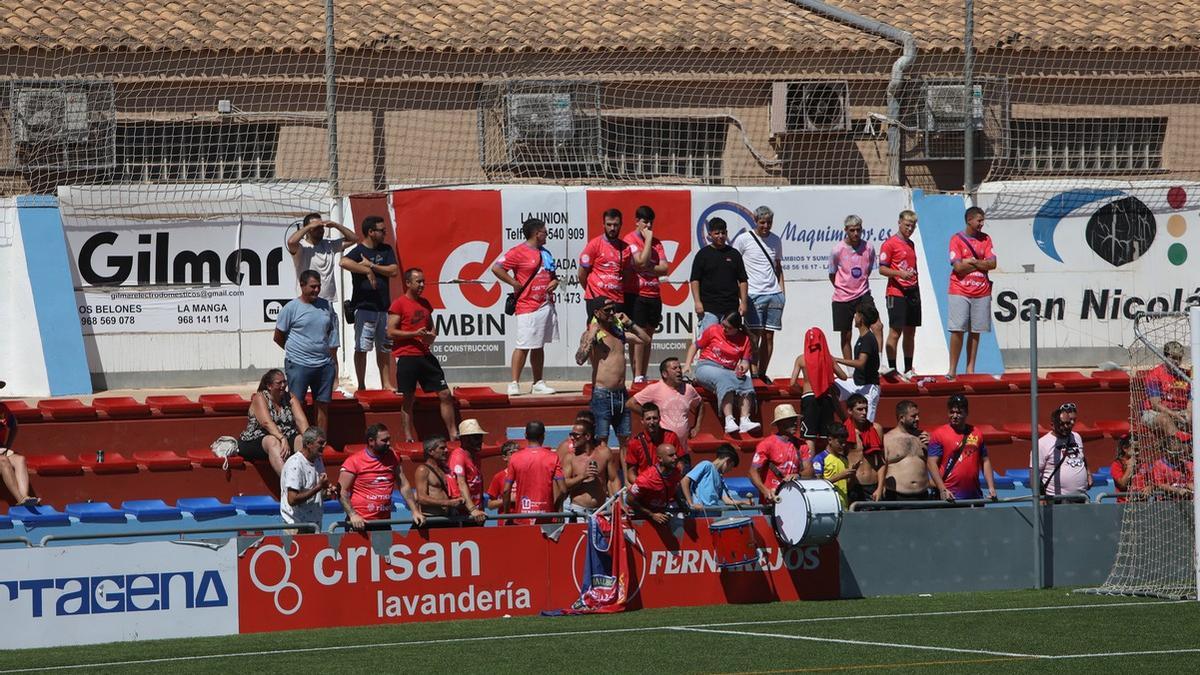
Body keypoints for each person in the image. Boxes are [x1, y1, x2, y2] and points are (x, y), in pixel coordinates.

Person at [287, 213, 359, 391]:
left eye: (320, 227)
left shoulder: (328, 245)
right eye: (315, 227)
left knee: (332, 347)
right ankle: (307, 383)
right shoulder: (302, 247)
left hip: (327, 304)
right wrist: (308, 227)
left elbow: (354, 238)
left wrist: (335, 224)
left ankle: (334, 386)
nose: (319, 230)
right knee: (308, 346)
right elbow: (291, 242)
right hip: (307, 305)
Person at [387, 267, 457, 442]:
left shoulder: (426, 304)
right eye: (418, 281)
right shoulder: (399, 304)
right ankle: (408, 436)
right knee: (409, 398)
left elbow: (432, 331)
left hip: (425, 355)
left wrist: (429, 336)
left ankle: (453, 433)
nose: (422, 285)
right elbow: (391, 332)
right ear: (408, 283)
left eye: (423, 281)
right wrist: (414, 334)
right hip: (407, 356)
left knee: (445, 394)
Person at [492, 218, 559, 397]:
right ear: (537, 234)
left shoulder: (546, 253)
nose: (547, 234)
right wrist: (514, 282)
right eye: (544, 231)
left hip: (545, 304)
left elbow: (553, 274)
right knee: (523, 345)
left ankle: (538, 382)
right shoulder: (518, 251)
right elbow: (497, 268)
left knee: (539, 345)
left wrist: (554, 281)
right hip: (527, 305)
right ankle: (514, 382)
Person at [576, 297, 649, 457]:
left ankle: (627, 482)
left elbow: (645, 339)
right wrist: (591, 335)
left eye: (613, 309)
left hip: (621, 394)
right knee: (602, 442)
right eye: (607, 310)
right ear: (596, 313)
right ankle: (604, 481)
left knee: (625, 441)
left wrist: (630, 323)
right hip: (602, 394)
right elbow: (580, 359)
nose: (611, 313)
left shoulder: (619, 333)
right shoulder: (592, 335)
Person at [273, 270, 338, 432]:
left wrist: (333, 363)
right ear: (302, 286)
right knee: (297, 403)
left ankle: (320, 441)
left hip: (324, 365)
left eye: (318, 287)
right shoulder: (291, 308)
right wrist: (296, 353)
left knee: (322, 404)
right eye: (312, 286)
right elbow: (278, 336)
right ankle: (300, 440)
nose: (316, 290)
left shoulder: (327, 306)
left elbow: (332, 334)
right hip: (298, 365)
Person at [340, 215, 399, 391]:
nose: (384, 233)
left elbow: (393, 270)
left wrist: (372, 267)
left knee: (384, 348)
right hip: (365, 308)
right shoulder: (358, 251)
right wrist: (365, 270)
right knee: (362, 348)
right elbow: (343, 262)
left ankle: (386, 383)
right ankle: (362, 385)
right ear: (371, 232)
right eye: (382, 230)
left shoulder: (386, 249)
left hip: (383, 308)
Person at [732, 205, 785, 382]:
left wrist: (782, 291)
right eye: (762, 222)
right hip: (753, 294)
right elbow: (736, 266)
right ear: (755, 221)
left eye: (769, 222)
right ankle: (753, 373)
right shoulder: (743, 239)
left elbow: (778, 267)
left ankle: (762, 372)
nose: (766, 226)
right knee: (754, 336)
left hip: (774, 293)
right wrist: (741, 295)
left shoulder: (776, 240)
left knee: (769, 336)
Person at [685, 311, 760, 435]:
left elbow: (745, 362)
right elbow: (695, 346)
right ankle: (729, 420)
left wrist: (743, 367)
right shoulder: (714, 330)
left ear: (736, 328)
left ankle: (744, 419)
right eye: (723, 325)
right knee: (724, 379)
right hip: (706, 366)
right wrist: (688, 364)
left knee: (745, 380)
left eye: (728, 328)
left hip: (727, 370)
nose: (724, 329)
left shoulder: (744, 340)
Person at [339, 423, 424, 530]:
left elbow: (403, 485)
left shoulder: (393, 456)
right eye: (384, 440)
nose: (388, 443)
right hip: (360, 523)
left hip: (384, 522)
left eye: (389, 439)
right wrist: (352, 515)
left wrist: (415, 511)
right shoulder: (353, 461)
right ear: (371, 441)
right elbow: (341, 490)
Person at [947, 206, 996, 379]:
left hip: (981, 291)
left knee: (976, 331)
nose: (982, 224)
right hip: (960, 290)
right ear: (969, 220)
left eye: (983, 220)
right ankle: (952, 369)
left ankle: (970, 369)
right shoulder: (956, 239)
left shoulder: (986, 239)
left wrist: (972, 261)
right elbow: (958, 268)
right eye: (979, 220)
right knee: (957, 329)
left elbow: (992, 264)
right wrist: (980, 262)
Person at [623, 205, 670, 383]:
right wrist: (648, 239)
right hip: (637, 294)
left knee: (649, 336)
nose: (648, 225)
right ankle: (637, 376)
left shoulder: (657, 242)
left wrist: (649, 266)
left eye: (651, 222)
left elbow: (665, 268)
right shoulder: (630, 239)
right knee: (638, 335)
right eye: (645, 221)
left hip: (654, 293)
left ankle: (643, 372)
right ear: (637, 221)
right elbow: (639, 263)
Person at [628, 357, 703, 462]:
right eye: (674, 368)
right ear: (664, 374)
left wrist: (697, 426)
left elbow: (700, 404)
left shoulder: (689, 389)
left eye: (679, 368)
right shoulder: (654, 389)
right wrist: (652, 417)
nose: (679, 371)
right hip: (663, 454)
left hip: (683, 451)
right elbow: (630, 403)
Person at [791, 327, 849, 459]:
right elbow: (844, 376)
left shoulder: (801, 359)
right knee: (826, 437)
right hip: (826, 398)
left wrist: (804, 391)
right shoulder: (828, 358)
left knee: (809, 437)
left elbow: (792, 383)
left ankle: (809, 467)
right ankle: (826, 465)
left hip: (808, 397)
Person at [927, 394, 997, 503]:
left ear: (967, 413)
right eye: (951, 412)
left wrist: (991, 487)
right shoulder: (938, 434)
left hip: (974, 495)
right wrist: (942, 489)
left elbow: (985, 461)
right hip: (949, 496)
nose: (954, 416)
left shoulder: (977, 433)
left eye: (959, 412)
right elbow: (931, 463)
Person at [829, 215, 881, 360]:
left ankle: (878, 362)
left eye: (858, 230)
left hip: (862, 293)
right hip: (842, 297)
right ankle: (850, 371)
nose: (856, 234)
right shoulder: (837, 250)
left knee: (877, 325)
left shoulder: (868, 247)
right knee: (846, 334)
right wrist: (843, 287)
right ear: (845, 230)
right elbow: (832, 274)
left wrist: (859, 285)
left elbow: (868, 269)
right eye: (852, 230)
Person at [238, 368, 309, 475]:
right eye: (279, 383)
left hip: (284, 438)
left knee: (303, 440)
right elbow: (266, 423)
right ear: (269, 386)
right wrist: (282, 438)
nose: (283, 385)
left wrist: (309, 439)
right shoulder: (260, 397)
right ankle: (289, 482)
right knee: (272, 441)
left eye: (284, 382)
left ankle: (311, 481)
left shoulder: (290, 397)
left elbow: (301, 421)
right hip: (256, 439)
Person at [878, 210, 921, 378]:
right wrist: (899, 274)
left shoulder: (911, 244)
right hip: (896, 292)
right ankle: (892, 368)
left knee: (911, 331)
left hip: (913, 291)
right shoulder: (889, 244)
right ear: (899, 223)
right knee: (895, 331)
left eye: (913, 226)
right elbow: (882, 268)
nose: (910, 229)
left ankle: (908, 368)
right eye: (907, 225)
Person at [689, 217, 748, 335]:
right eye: (717, 233)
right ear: (710, 234)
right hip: (709, 308)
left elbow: (742, 280)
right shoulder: (703, 255)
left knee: (730, 342)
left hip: (731, 308)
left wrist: (744, 302)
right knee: (709, 340)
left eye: (723, 232)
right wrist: (697, 302)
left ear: (726, 233)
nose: (720, 236)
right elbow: (695, 280)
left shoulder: (734, 254)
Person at [503, 421, 565, 524]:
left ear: (525, 436)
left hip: (522, 517)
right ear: (543, 435)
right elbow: (563, 489)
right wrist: (556, 508)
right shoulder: (553, 457)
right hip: (546, 517)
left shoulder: (515, 458)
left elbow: (506, 490)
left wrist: (507, 514)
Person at [880, 400, 942, 502]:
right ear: (901, 418)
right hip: (897, 497)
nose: (918, 419)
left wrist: (932, 445)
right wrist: (880, 488)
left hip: (923, 496)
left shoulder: (924, 437)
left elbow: (936, 464)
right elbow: (882, 468)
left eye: (918, 415)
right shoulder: (887, 439)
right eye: (913, 416)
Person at [749, 404, 810, 504]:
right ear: (780, 424)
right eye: (790, 420)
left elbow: (809, 471)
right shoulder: (766, 444)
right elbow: (752, 472)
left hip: (795, 499)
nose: (795, 423)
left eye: (795, 420)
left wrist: (798, 475)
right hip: (772, 500)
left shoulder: (802, 445)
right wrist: (765, 491)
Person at [832, 302, 882, 421]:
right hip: (857, 384)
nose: (854, 317)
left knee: (866, 427)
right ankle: (845, 421)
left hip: (869, 388)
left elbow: (860, 363)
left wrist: (837, 359)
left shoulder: (868, 339)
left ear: (861, 318)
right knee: (831, 387)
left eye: (856, 314)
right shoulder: (862, 338)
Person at [561, 419, 621, 517]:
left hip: (601, 509)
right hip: (578, 511)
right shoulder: (570, 458)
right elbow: (563, 485)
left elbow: (613, 480)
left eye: (576, 435)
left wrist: (619, 501)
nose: (572, 438)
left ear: (587, 436)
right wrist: (582, 476)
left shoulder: (604, 453)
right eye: (571, 434)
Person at [579, 208, 631, 318]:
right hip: (596, 299)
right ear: (603, 224)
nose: (612, 228)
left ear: (621, 225)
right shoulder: (594, 244)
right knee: (595, 332)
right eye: (609, 224)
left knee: (617, 332)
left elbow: (626, 275)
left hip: (616, 299)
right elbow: (582, 273)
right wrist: (591, 291)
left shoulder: (625, 248)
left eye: (616, 225)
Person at [280, 426, 332, 528]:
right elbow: (292, 499)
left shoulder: (318, 460)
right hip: (296, 526)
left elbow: (316, 493)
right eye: (320, 443)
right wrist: (319, 487)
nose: (324, 446)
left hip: (314, 525)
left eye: (324, 443)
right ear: (308, 444)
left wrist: (327, 491)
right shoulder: (295, 464)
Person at [1037, 402, 1092, 498]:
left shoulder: (1077, 437)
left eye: (1069, 423)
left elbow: (1081, 457)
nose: (1067, 426)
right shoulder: (1042, 443)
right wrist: (1040, 498)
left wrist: (1088, 473)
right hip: (1057, 499)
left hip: (1081, 497)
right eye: (1062, 424)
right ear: (1053, 425)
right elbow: (1035, 474)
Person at [1141, 340, 1192, 437]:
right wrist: (1174, 414)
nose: (1176, 362)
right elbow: (1155, 404)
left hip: (1180, 411)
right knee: (1165, 419)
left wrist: (1189, 413)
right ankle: (1182, 444)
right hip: (1155, 412)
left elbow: (1191, 399)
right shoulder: (1154, 374)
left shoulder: (1186, 375)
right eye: (1173, 358)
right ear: (1165, 357)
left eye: (1179, 358)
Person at [625, 402, 683, 485]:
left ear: (659, 419)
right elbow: (631, 473)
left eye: (655, 418)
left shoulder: (671, 437)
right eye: (648, 419)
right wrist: (643, 486)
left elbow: (680, 463)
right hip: (646, 486)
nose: (652, 422)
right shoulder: (634, 443)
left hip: (669, 484)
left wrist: (675, 480)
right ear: (642, 420)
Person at [843, 393, 885, 504]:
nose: (864, 413)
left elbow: (882, 461)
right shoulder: (844, 431)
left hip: (873, 484)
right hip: (853, 484)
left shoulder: (876, 428)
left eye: (866, 409)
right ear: (850, 411)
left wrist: (880, 487)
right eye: (860, 409)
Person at [682, 444, 751, 510]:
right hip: (699, 512)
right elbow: (684, 480)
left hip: (713, 512)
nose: (730, 470)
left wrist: (744, 502)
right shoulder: (706, 465)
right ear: (727, 461)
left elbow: (727, 501)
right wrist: (691, 504)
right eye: (731, 466)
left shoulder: (721, 480)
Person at [413, 436, 465, 522]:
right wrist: (448, 503)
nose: (446, 451)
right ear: (431, 451)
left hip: (448, 519)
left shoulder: (445, 469)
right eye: (442, 448)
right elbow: (421, 498)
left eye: (446, 448)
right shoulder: (423, 470)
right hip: (431, 520)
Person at [630, 443, 684, 524]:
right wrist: (651, 514)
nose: (675, 458)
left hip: (662, 514)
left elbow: (674, 488)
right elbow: (629, 500)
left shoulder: (676, 472)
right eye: (671, 455)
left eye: (676, 454)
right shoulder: (645, 479)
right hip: (643, 518)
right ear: (660, 459)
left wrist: (682, 506)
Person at [447, 419, 488, 524]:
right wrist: (473, 509)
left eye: (480, 437)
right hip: (464, 515)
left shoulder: (475, 456)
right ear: (464, 439)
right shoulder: (458, 456)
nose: (479, 440)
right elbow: (461, 483)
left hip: (477, 513)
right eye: (475, 437)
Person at [0, 394, 37, 506]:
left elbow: (14, 426)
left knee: (20, 459)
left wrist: (8, 445)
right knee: (3, 461)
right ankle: (19, 498)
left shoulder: (3, 409)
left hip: (1, 449)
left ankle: (25, 497)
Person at [822, 424, 860, 509]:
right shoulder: (820, 459)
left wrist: (853, 474)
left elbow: (848, 486)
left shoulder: (844, 459)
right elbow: (817, 486)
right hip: (828, 507)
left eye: (844, 442)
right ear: (830, 440)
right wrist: (840, 476)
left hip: (843, 506)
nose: (843, 445)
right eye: (840, 442)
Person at [1148, 432, 1194, 499]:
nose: (1178, 456)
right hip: (1166, 500)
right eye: (1175, 454)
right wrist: (1176, 490)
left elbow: (1190, 482)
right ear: (1165, 452)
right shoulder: (1159, 465)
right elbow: (1160, 484)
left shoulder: (1188, 465)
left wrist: (1192, 488)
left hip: (1186, 499)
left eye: (1180, 452)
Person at [486, 440, 521, 512]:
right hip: (505, 520)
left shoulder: (525, 475)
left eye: (518, 453)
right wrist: (508, 499)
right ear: (504, 457)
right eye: (512, 453)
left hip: (523, 520)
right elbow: (490, 505)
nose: (516, 456)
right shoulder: (498, 477)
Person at [1109, 433, 1139, 503]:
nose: (1137, 452)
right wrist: (1130, 467)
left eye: (1139, 449)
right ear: (1125, 448)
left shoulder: (1142, 462)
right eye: (1135, 449)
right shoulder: (1117, 464)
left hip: (1142, 504)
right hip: (1124, 505)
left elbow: (1152, 482)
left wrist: (1150, 487)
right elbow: (1122, 484)